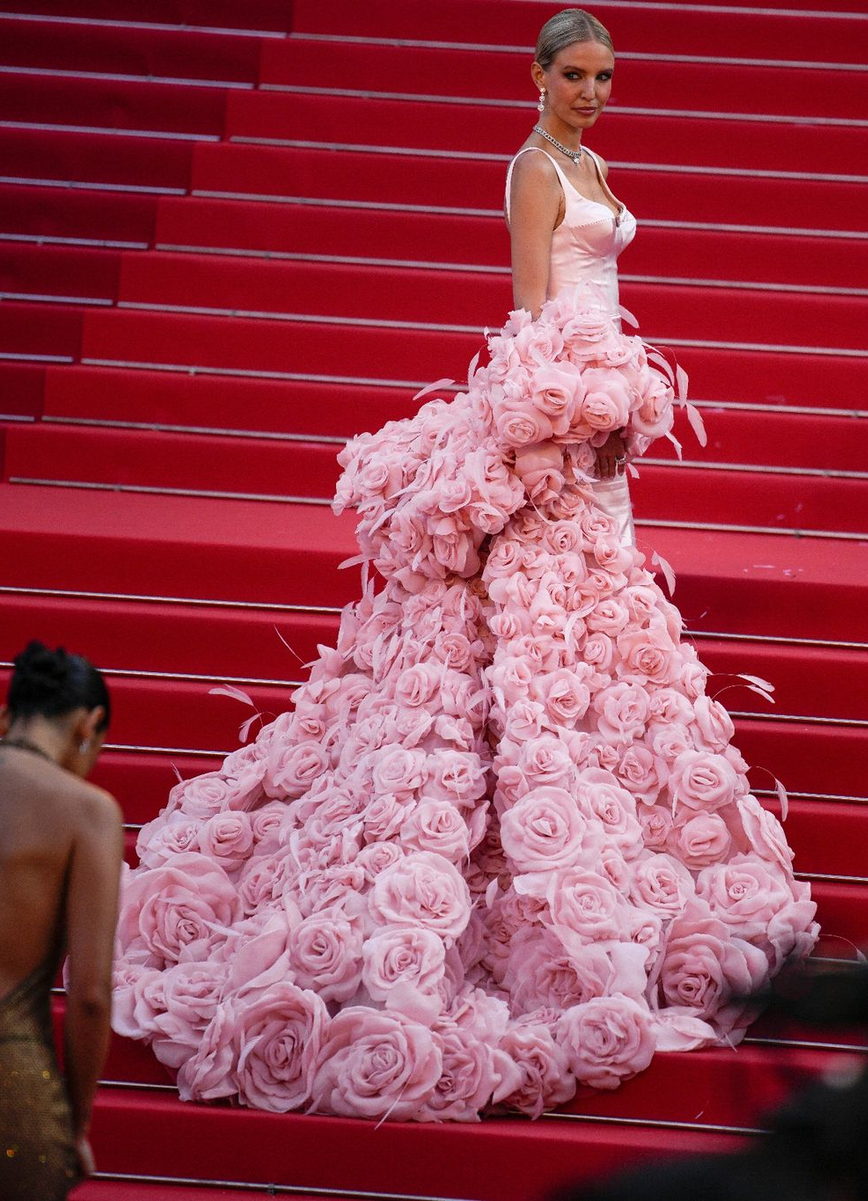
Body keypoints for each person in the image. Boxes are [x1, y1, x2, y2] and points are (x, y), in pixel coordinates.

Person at [113, 6, 818, 1123]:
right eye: (575, 75)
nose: (593, 92)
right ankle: (503, 867)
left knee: (599, 636)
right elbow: (533, 316)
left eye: (606, 76)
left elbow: (599, 304)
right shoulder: (535, 170)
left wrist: (624, 404)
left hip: (601, 425)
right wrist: (572, 417)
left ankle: (609, 826)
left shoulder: (590, 161)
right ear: (536, 76)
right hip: (559, 424)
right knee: (538, 632)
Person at [0, 641, 123, 1200]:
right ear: (88, 725)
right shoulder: (87, 812)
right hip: (13, 1089)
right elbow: (90, 994)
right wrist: (76, 1123)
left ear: (7, 715)